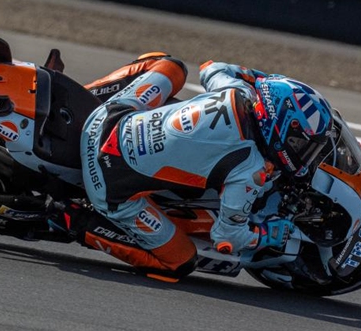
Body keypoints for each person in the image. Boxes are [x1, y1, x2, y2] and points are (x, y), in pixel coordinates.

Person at [76, 53, 334, 282]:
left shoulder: (238, 92)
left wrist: (257, 80)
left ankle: (81, 96)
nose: (303, 152)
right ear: (279, 127)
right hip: (107, 182)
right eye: (299, 142)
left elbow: (212, 68)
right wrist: (271, 235)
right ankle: (71, 219)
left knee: (170, 65)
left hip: (108, 116)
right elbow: (228, 238)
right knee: (180, 261)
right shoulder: (249, 169)